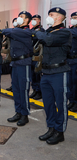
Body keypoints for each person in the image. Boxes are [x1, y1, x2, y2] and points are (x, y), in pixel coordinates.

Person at [34, 7, 71, 145]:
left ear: (60, 18)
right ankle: (51, 128)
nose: (49, 16)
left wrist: (38, 32)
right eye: (49, 14)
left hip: (59, 72)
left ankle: (59, 132)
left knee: (61, 104)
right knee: (48, 103)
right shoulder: (47, 32)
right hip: (46, 73)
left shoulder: (64, 32)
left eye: (52, 14)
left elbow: (48, 40)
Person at [2, 11, 33, 126]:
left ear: (27, 20)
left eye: (21, 17)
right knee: (15, 89)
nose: (18, 18)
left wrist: (13, 28)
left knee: (23, 89)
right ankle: (18, 111)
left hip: (23, 63)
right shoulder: (16, 31)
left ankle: (24, 115)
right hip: (15, 63)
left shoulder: (26, 31)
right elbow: (7, 31)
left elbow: (6, 31)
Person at [30, 14, 45, 100]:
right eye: (33, 19)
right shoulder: (31, 30)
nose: (33, 21)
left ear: (39, 20)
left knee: (37, 74)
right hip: (31, 55)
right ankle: (35, 90)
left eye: (35, 19)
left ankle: (39, 92)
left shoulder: (41, 30)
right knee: (32, 75)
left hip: (37, 55)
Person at [67, 11, 77, 112]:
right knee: (69, 83)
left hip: (75, 60)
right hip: (69, 59)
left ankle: (76, 103)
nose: (73, 19)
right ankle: (72, 101)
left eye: (76, 17)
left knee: (75, 83)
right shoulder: (71, 30)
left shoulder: (73, 31)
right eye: (72, 17)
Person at [5, 18, 18, 92]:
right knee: (11, 72)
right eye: (14, 22)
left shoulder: (19, 32)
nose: (15, 23)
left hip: (17, 56)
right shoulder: (11, 31)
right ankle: (13, 85)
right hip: (11, 54)